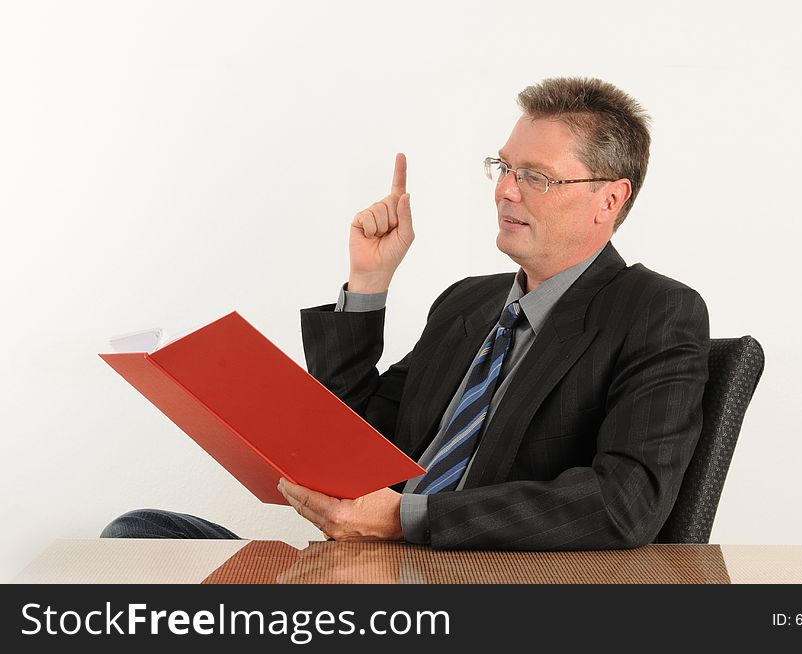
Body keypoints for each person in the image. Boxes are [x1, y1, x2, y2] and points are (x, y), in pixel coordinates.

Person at [102, 77, 710, 550]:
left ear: (609, 198)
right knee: (140, 533)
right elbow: (359, 444)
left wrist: (404, 518)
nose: (504, 190)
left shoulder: (655, 311)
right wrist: (369, 283)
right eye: (503, 168)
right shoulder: (467, 304)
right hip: (366, 571)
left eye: (536, 177)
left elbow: (624, 502)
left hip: (477, 587)